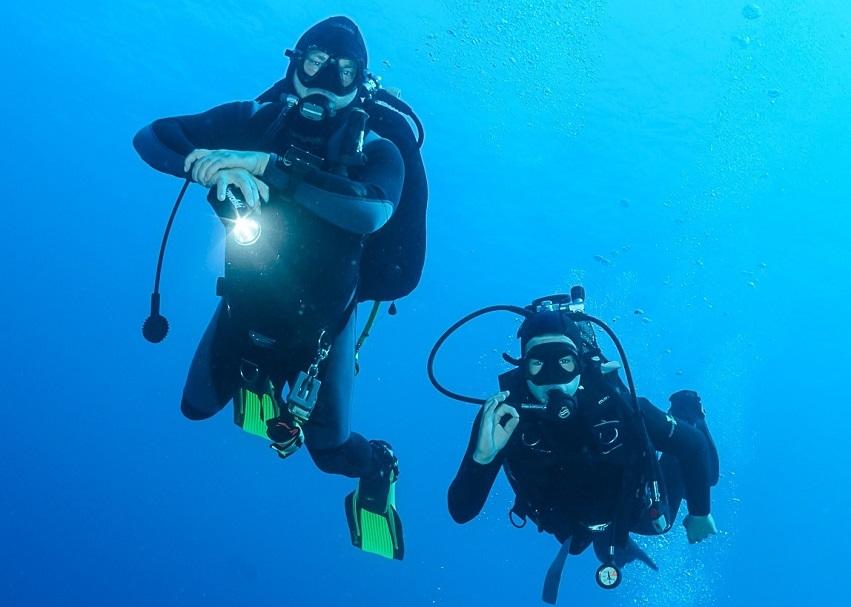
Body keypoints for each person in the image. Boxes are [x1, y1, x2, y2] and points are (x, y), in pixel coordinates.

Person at [133, 16, 428, 561]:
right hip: (243, 307)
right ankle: (261, 380)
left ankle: (379, 464)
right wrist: (204, 167)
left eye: (344, 73)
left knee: (330, 451)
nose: (325, 81)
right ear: (293, 64)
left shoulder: (378, 151)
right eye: (315, 62)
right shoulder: (253, 120)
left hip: (325, 332)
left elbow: (371, 211)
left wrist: (266, 167)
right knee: (194, 408)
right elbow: (152, 137)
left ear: (360, 83)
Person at [439, 299, 719, 602]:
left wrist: (701, 512)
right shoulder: (502, 419)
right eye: (538, 364)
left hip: (632, 503)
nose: (553, 379)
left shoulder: (617, 403)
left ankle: (687, 408)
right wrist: (483, 458)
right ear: (523, 369)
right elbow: (461, 511)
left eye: (564, 362)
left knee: (699, 480)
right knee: (584, 542)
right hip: (570, 520)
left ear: (581, 364)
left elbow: (693, 446)